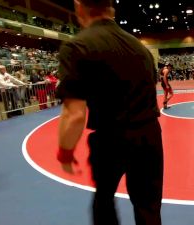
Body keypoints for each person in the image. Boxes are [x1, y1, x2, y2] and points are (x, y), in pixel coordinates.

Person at [55, 1, 163, 225]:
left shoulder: (78, 46)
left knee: (104, 202)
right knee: (148, 207)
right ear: (112, 9)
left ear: (79, 7)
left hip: (111, 138)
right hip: (149, 136)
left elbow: (74, 114)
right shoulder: (140, 48)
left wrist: (65, 152)